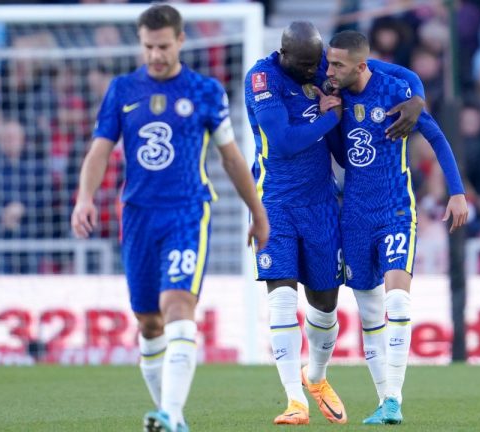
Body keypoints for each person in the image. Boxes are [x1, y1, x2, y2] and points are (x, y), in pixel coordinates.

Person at [71, 5, 269, 432]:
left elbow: (232, 158)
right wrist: (84, 198)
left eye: (163, 46)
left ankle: (172, 415)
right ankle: (171, 416)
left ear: (180, 40)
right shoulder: (122, 90)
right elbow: (100, 151)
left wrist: (257, 211)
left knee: (178, 304)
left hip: (186, 212)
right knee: (148, 322)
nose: (155, 55)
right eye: (148, 47)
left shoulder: (204, 91)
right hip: (138, 216)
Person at [244, 21, 426, 425]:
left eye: (319, 63)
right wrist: (331, 119)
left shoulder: (324, 66)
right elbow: (283, 142)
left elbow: (398, 73)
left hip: (322, 204)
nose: (316, 72)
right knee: (281, 299)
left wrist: (418, 99)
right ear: (285, 55)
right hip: (275, 203)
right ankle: (295, 401)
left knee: (325, 305)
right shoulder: (262, 79)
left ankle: (316, 376)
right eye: (308, 65)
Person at [324, 30, 468, 425]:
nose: (329, 70)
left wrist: (456, 192)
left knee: (398, 301)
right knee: (370, 313)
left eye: (337, 65)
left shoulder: (393, 91)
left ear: (360, 66)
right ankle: (382, 399)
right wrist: (330, 118)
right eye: (329, 63)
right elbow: (343, 156)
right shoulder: (336, 93)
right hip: (354, 215)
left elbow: (437, 137)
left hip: (395, 210)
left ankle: (394, 400)